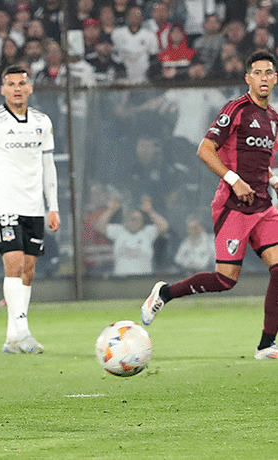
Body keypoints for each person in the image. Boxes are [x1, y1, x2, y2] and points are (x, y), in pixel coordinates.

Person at [141, 51, 278, 360]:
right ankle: (165, 292)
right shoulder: (236, 109)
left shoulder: (272, 118)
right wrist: (233, 179)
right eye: (257, 72)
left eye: (269, 72)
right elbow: (205, 149)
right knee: (225, 280)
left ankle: (267, 345)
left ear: (275, 78)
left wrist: (270, 178)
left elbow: (258, 160)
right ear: (248, 78)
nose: (264, 78)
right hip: (234, 204)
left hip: (264, 207)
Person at [0, 65, 59, 355]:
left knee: (29, 271)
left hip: (34, 207)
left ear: (30, 87)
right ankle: (23, 330)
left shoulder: (42, 122)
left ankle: (11, 337)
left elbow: (48, 167)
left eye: (22, 83)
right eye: (11, 83)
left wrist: (53, 207)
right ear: (3, 89)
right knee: (15, 265)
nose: (17, 88)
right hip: (6, 205)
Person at [95, 194, 169, 277]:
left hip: (144, 280)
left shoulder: (147, 232)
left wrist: (150, 212)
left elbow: (164, 226)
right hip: (120, 282)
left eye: (138, 219)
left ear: (142, 221)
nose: (135, 221)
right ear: (126, 220)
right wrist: (111, 210)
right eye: (132, 218)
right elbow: (99, 227)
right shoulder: (119, 231)